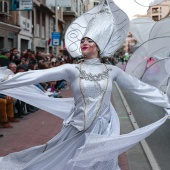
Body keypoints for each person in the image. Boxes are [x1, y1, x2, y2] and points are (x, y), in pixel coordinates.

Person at [0, 0, 169, 169]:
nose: (84, 43)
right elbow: (36, 75)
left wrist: (164, 102)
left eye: (89, 40)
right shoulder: (72, 70)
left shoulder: (112, 71)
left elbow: (139, 87)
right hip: (78, 129)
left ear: (99, 46)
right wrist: (4, 80)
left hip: (103, 131)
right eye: (82, 41)